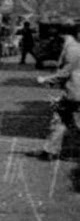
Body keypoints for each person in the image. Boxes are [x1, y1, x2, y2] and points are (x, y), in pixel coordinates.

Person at [35, 22, 79, 161]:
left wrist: (45, 79)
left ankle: (51, 151)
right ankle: (50, 151)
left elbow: (66, 72)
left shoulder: (72, 49)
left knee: (62, 119)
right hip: (73, 90)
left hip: (76, 91)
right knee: (60, 119)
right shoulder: (72, 47)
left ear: (63, 35)